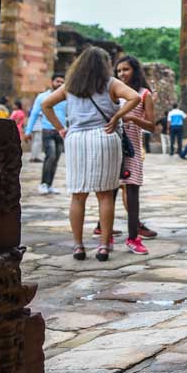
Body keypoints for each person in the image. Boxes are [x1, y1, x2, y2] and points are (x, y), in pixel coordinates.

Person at [42, 47, 140, 263]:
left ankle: (78, 246)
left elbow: (45, 104)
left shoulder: (71, 86)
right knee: (105, 195)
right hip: (103, 136)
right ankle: (104, 246)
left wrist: (61, 128)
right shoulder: (110, 83)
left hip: (76, 139)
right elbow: (134, 98)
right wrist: (117, 117)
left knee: (78, 194)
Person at [105, 56, 156, 255]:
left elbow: (152, 125)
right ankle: (106, 235)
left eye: (125, 69)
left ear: (134, 70)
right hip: (111, 144)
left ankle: (133, 237)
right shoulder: (113, 93)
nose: (122, 74)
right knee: (109, 190)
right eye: (118, 71)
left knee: (132, 191)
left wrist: (132, 117)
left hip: (131, 146)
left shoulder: (144, 95)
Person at [26, 75, 67, 195]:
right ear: (52, 82)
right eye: (57, 81)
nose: (59, 83)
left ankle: (49, 185)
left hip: (61, 132)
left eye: (62, 82)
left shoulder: (66, 98)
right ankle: (43, 183)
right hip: (47, 131)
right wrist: (28, 131)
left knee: (56, 159)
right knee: (51, 156)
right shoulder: (42, 97)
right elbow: (34, 114)